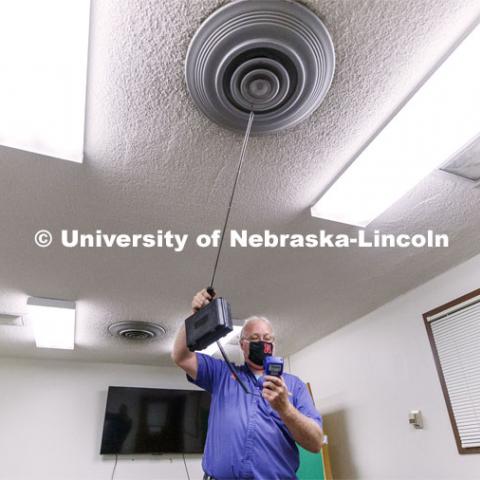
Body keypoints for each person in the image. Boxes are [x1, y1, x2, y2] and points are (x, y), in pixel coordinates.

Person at [171, 288, 324, 480]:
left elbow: (316, 442)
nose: (262, 342)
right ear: (242, 344)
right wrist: (195, 318)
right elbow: (180, 356)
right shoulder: (222, 374)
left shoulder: (294, 386)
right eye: (254, 339)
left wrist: (285, 408)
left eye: (267, 339)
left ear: (274, 344)